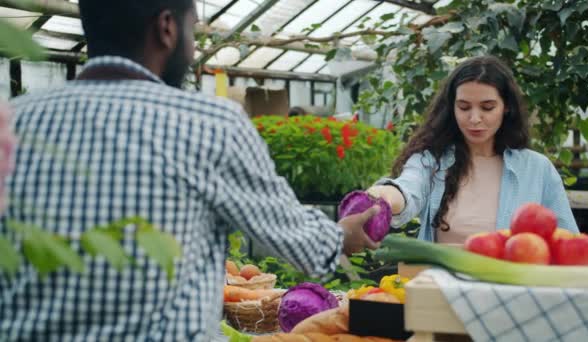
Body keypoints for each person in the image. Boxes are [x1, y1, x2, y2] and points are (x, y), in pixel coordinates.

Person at [0, 1, 379, 340]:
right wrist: (342, 234)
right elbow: (303, 244)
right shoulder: (209, 124)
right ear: (167, 28)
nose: (193, 45)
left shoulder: (14, 121)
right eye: (192, 29)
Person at [367, 56, 579, 243]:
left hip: (514, 286)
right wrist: (382, 196)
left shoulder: (537, 169)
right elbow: (408, 189)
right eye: (464, 107)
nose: (475, 119)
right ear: (452, 107)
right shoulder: (431, 161)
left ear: (506, 107)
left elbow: (566, 239)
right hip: (441, 286)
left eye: (487, 107)